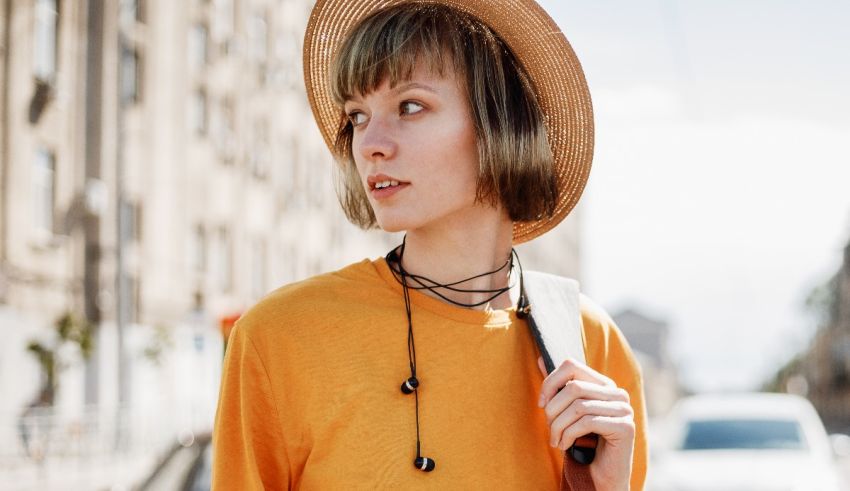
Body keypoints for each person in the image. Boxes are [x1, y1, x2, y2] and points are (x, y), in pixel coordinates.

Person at [212, 1, 648, 489]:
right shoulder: (280, 336)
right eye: (357, 115)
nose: (370, 143)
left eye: (410, 106)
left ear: (501, 123)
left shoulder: (590, 345)